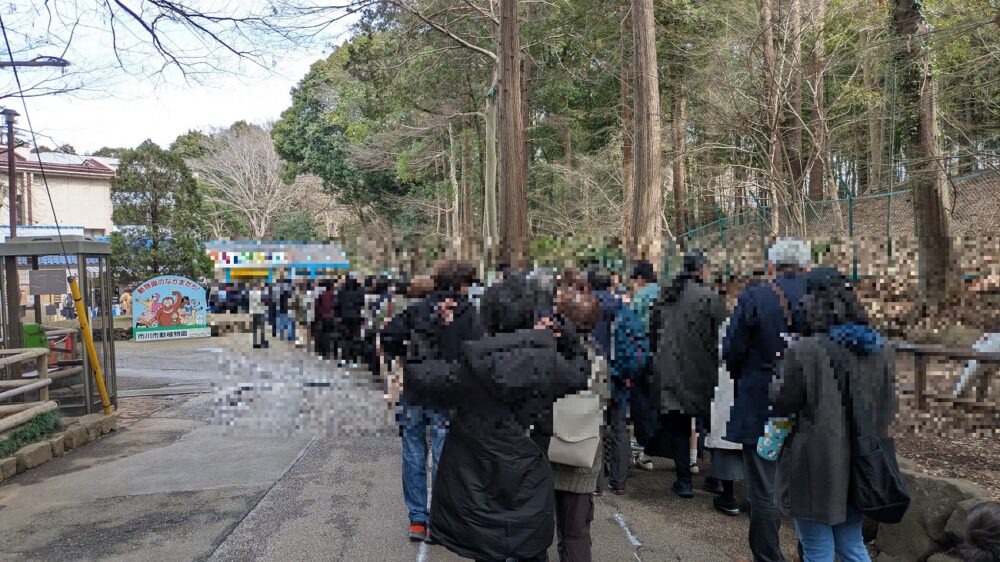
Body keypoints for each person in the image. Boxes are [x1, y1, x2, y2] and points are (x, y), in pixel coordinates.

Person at [405, 272, 590, 562]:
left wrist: (429, 329)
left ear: (487, 318)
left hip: (477, 485)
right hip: (529, 481)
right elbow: (580, 372)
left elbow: (419, 375)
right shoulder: (547, 364)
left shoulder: (469, 367)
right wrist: (564, 334)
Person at [770, 267, 896, 562]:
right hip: (863, 462)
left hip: (816, 463)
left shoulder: (806, 350)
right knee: (852, 544)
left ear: (811, 303)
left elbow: (782, 401)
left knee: (816, 549)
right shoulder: (882, 349)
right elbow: (889, 409)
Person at [723, 238, 811, 562]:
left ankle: (768, 556)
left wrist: (746, 376)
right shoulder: (821, 296)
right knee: (805, 484)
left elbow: (732, 351)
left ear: (771, 265)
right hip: (809, 406)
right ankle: (811, 553)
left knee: (763, 484)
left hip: (763, 404)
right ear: (805, 266)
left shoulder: (755, 297)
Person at [382, 261, 480, 544]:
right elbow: (475, 350)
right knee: (443, 455)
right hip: (448, 391)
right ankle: (440, 518)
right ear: (463, 283)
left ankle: (417, 520)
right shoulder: (468, 313)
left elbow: (388, 335)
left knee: (413, 450)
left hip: (415, 387)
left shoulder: (418, 309)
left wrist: (406, 355)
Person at [646, 251, 727, 498]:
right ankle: (717, 478)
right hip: (703, 371)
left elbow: (652, 335)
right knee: (713, 424)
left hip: (670, 371)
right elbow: (723, 337)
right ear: (701, 269)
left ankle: (684, 481)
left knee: (680, 427)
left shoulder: (666, 295)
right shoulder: (710, 298)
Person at [549, 287, 605, 562]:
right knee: (576, 531)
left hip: (546, 448)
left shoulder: (547, 355)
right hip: (583, 453)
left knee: (537, 529)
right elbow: (604, 402)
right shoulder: (598, 358)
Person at [588, 265, 629, 496]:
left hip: (595, 371)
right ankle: (619, 480)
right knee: (619, 426)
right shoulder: (621, 306)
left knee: (595, 424)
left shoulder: (587, 305)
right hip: (620, 372)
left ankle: (596, 482)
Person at [619, 259, 659, 472]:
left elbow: (631, 327)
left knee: (640, 401)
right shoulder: (664, 292)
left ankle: (642, 443)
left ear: (640, 278)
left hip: (642, 354)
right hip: (664, 355)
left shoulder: (641, 297)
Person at [704, 318, 744, 516]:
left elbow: (718, 352)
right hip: (756, 397)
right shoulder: (775, 325)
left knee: (727, 449)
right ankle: (755, 501)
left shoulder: (731, 324)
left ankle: (729, 497)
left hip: (728, 390)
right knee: (757, 456)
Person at [249, 282, 268, 349]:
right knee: (262, 328)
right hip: (260, 312)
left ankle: (255, 343)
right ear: (258, 286)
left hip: (254, 313)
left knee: (255, 329)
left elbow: (250, 304)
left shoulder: (251, 293)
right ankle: (262, 342)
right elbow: (265, 303)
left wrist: (250, 313)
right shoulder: (261, 294)